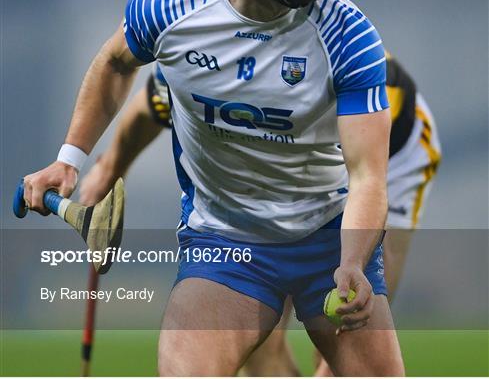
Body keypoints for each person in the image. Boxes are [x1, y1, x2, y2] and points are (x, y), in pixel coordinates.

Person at [22, 0, 405, 376]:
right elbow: (116, 64)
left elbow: (368, 175)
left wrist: (353, 261)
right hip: (226, 243)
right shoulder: (171, 7)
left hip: (328, 239)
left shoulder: (348, 35)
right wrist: (71, 159)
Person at [79, 53, 441, 376]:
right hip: (290, 164)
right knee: (257, 334)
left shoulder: (319, 78)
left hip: (394, 154)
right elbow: (148, 108)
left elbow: (364, 181)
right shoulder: (193, 65)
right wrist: (109, 170)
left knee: (348, 323)